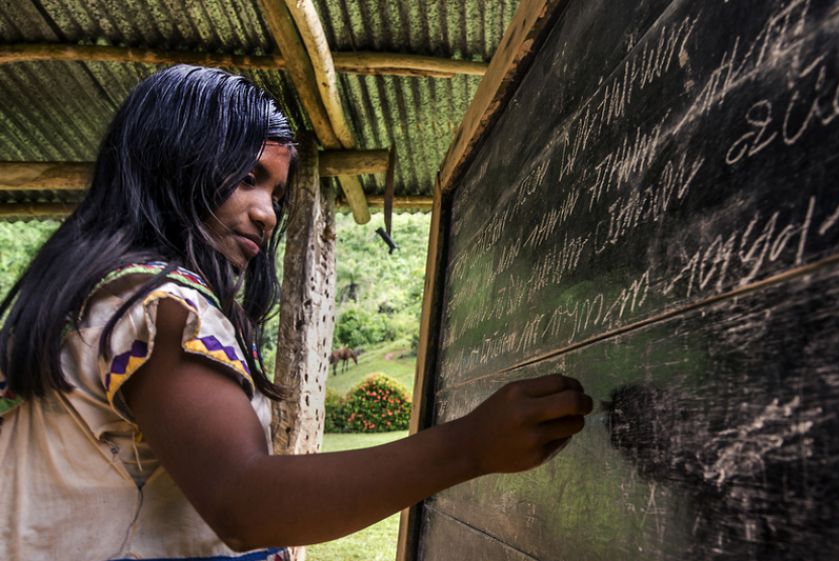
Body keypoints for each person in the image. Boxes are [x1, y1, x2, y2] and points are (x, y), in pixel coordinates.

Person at [0, 65, 592, 560]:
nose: (266, 213)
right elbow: (244, 503)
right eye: (246, 179)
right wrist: (469, 446)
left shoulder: (97, 298)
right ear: (169, 164)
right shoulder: (160, 308)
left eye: (277, 194)